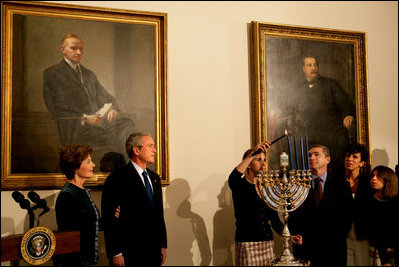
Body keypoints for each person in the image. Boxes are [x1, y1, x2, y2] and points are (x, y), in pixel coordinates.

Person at [43, 34, 134, 154]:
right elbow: (55, 108)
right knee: (117, 141)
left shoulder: (89, 74)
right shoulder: (52, 73)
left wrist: (113, 108)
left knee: (127, 124)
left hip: (98, 126)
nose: (78, 52)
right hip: (75, 128)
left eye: (81, 49)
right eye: (73, 48)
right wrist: (84, 117)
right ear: (63, 49)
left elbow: (106, 97)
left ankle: (118, 164)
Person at [278, 56, 356, 171]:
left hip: (329, 130)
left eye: (315, 65)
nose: (313, 68)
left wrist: (348, 115)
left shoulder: (331, 84)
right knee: (293, 145)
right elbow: (288, 108)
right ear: (304, 68)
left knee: (338, 143)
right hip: (306, 131)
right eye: (309, 65)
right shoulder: (298, 88)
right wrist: (278, 112)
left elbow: (345, 104)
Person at [101, 132, 167, 266]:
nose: (154, 150)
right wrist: (116, 252)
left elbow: (159, 215)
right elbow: (110, 218)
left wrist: (162, 244)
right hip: (129, 252)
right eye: (150, 146)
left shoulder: (154, 178)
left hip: (153, 250)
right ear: (136, 150)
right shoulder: (117, 178)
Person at [289, 144, 349, 266]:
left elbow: (346, 217)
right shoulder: (298, 185)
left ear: (328, 159)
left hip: (333, 249)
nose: (312, 158)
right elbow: (292, 214)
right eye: (309, 155)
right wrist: (296, 236)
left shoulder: (341, 184)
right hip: (305, 249)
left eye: (317, 154)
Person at [228, 141, 284, 265]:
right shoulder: (240, 185)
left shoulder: (267, 188)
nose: (263, 164)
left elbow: (275, 221)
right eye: (258, 160)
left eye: (264, 160)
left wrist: (289, 236)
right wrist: (252, 153)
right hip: (247, 244)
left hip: (267, 244)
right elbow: (233, 177)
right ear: (249, 164)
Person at [54, 144, 101, 266]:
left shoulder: (82, 191)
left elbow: (91, 224)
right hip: (76, 262)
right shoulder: (68, 195)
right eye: (88, 162)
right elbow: (69, 237)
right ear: (75, 166)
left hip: (88, 259)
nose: (93, 165)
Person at [342, 143, 371, 265]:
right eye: (348, 156)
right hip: (342, 234)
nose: (349, 159)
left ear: (361, 163)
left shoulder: (368, 182)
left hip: (362, 234)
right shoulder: (337, 181)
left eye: (354, 157)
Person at [368, 166, 398, 266]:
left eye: (378, 176)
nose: (373, 178)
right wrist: (385, 260)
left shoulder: (395, 201)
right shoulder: (369, 201)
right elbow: (376, 232)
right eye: (373, 175)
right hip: (377, 250)